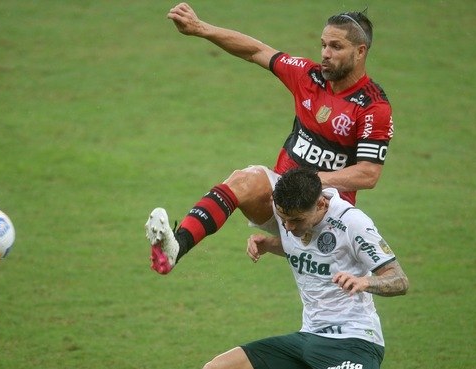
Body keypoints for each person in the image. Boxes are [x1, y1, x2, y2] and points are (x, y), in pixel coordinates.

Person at [146, 3, 395, 274]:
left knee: (329, 297)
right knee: (243, 180)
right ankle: (177, 247)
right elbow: (256, 51)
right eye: (323, 45)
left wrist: (312, 180)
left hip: (324, 211)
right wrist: (200, 28)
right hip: (283, 196)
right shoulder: (308, 76)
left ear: (360, 52)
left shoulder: (372, 106)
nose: (325, 54)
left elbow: (369, 174)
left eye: (336, 47)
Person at [205, 167, 408, 369]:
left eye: (296, 221)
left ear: (320, 204)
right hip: (307, 338)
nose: (287, 228)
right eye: (283, 219)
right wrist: (268, 244)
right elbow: (307, 249)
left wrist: (365, 282)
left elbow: (399, 280)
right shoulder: (289, 215)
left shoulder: (353, 224)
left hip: (354, 341)